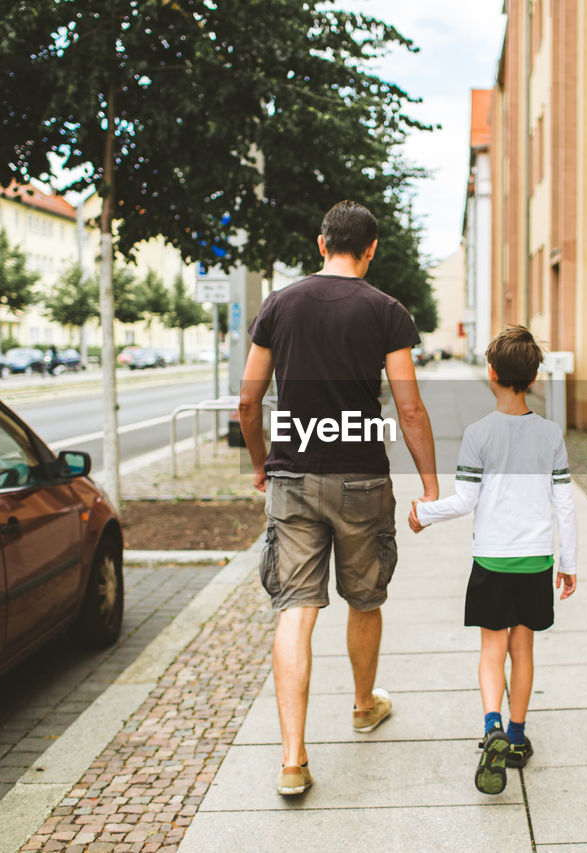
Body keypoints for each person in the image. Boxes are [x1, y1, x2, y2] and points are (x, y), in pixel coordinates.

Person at [238, 200, 439, 797]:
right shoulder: (387, 312)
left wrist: (259, 467)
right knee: (364, 598)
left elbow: (248, 404)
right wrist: (429, 486)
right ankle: (361, 703)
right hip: (361, 480)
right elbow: (408, 407)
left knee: (295, 610)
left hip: (292, 478)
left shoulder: (279, 304)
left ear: (321, 242)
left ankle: (293, 759)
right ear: (370, 249)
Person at [408, 325, 577, 795]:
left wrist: (423, 513)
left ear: (491, 373)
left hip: (493, 562)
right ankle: (518, 737)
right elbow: (564, 502)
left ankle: (492, 728)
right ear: (534, 376)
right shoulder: (550, 435)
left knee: (491, 651)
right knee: (523, 650)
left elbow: (465, 501)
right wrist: (569, 561)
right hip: (536, 562)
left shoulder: (478, 433)